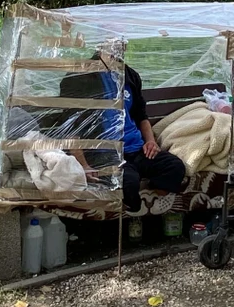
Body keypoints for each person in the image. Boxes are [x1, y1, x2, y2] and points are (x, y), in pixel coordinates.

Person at [62, 47, 186, 212]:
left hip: (137, 149)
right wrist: (83, 165)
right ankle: (134, 216)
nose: (117, 47)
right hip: (104, 153)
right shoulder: (79, 78)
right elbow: (72, 127)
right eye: (112, 42)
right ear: (99, 45)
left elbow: (141, 116)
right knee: (128, 182)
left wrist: (150, 141)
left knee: (175, 166)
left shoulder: (129, 75)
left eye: (121, 42)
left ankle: (153, 214)